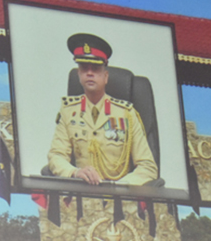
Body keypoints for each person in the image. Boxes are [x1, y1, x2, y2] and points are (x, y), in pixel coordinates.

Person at [47, 33, 158, 186]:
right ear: (79, 75)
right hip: (81, 193)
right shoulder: (69, 112)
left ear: (105, 76)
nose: (89, 73)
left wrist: (119, 187)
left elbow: (148, 167)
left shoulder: (126, 114)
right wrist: (75, 172)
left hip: (119, 195)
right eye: (84, 68)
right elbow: (56, 156)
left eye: (95, 69)